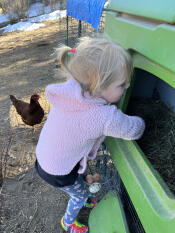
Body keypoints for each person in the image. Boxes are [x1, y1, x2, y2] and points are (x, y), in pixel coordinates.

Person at [35, 36, 145, 233]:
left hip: (46, 159)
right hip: (58, 171)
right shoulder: (102, 116)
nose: (127, 86)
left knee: (80, 185)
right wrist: (144, 120)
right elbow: (133, 130)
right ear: (99, 86)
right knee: (76, 195)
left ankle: (83, 195)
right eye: (121, 84)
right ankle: (68, 223)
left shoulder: (72, 90)